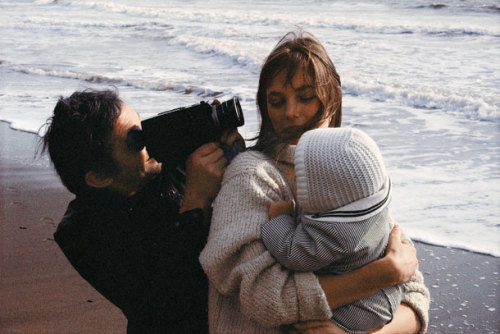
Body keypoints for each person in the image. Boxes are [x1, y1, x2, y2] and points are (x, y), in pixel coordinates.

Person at [199, 30, 430, 333]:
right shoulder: (252, 175)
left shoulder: (351, 170)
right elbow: (265, 297)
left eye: (305, 97)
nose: (291, 113)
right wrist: (378, 276)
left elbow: (413, 294)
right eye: (277, 101)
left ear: (332, 97)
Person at [42, 89, 243, 333]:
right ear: (99, 176)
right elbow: (164, 307)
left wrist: (234, 153)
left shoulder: (167, 159)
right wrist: (195, 204)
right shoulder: (80, 232)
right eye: (135, 140)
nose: (149, 139)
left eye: (142, 124)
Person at [261, 127, 405, 333]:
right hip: (388, 292)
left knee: (306, 326)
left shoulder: (337, 233)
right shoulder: (373, 203)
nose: (293, 178)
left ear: (327, 195)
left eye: (300, 178)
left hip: (363, 308)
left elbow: (292, 253)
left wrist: (279, 219)